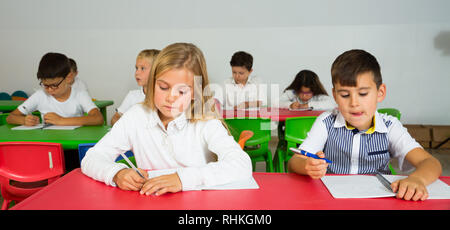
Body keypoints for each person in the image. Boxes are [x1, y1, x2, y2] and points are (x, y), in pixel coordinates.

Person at [81, 43, 252, 196]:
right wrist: (116, 173)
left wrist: (182, 179)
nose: (171, 98)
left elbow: (241, 165)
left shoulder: (205, 122)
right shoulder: (136, 116)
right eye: (163, 87)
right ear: (152, 83)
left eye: (182, 91)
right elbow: (92, 157)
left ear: (195, 92)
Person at [288, 49, 442, 201]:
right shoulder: (325, 122)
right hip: (331, 200)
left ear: (380, 92)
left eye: (363, 94)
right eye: (345, 95)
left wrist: (417, 180)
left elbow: (430, 163)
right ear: (335, 95)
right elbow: (294, 162)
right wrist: (307, 165)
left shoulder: (390, 126)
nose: (354, 103)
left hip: (379, 202)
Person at [6, 52, 103, 127]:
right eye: (45, 85)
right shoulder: (40, 95)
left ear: (68, 78)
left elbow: (98, 118)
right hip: (47, 144)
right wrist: (24, 120)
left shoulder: (79, 95)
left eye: (54, 85)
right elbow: (10, 117)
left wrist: (61, 121)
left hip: (72, 147)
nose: (49, 90)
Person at [110, 49, 160, 126]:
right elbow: (115, 118)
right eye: (136, 68)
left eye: (142, 68)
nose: (137, 72)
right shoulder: (132, 95)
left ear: (156, 71)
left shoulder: (163, 98)